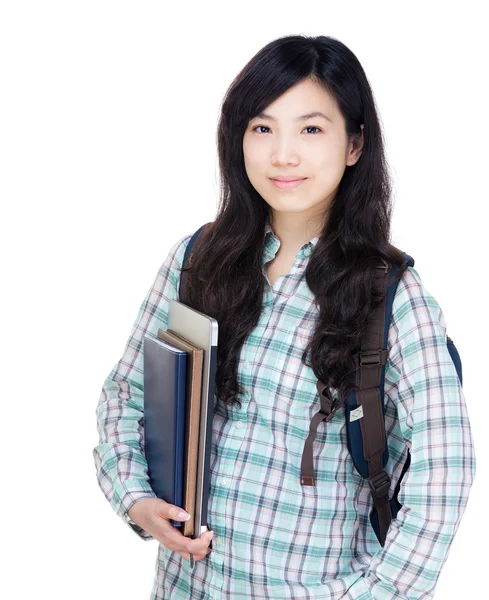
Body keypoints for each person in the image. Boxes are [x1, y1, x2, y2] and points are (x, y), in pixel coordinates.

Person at [92, 34, 476, 599]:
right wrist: (137, 500)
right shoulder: (197, 260)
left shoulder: (393, 296)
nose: (283, 154)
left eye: (312, 129)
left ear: (354, 145)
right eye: (262, 128)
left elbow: (445, 471)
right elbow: (128, 395)